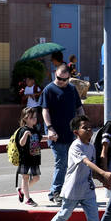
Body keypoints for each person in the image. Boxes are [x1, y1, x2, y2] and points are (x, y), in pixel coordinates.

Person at [38, 115, 111, 221]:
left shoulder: (91, 147)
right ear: (76, 132)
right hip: (73, 189)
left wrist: (103, 180)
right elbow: (86, 162)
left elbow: (91, 171)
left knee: (93, 217)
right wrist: (104, 173)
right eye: (84, 128)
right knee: (64, 215)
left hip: (87, 188)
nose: (88, 130)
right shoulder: (75, 146)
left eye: (89, 127)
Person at [40, 65, 84, 205]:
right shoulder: (49, 90)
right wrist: (50, 128)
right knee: (62, 162)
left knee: (73, 163)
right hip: (56, 134)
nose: (61, 82)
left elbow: (79, 108)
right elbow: (44, 110)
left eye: (65, 80)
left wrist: (83, 124)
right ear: (55, 75)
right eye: (59, 78)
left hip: (71, 133)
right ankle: (55, 192)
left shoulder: (72, 89)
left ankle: (68, 191)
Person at [15, 107, 42, 206]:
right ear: (25, 118)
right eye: (31, 117)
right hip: (25, 159)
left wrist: (51, 137)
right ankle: (28, 199)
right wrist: (25, 134)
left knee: (36, 178)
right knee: (25, 178)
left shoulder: (35, 129)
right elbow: (21, 143)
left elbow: (40, 138)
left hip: (35, 158)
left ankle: (22, 190)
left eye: (35, 117)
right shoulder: (23, 130)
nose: (34, 119)